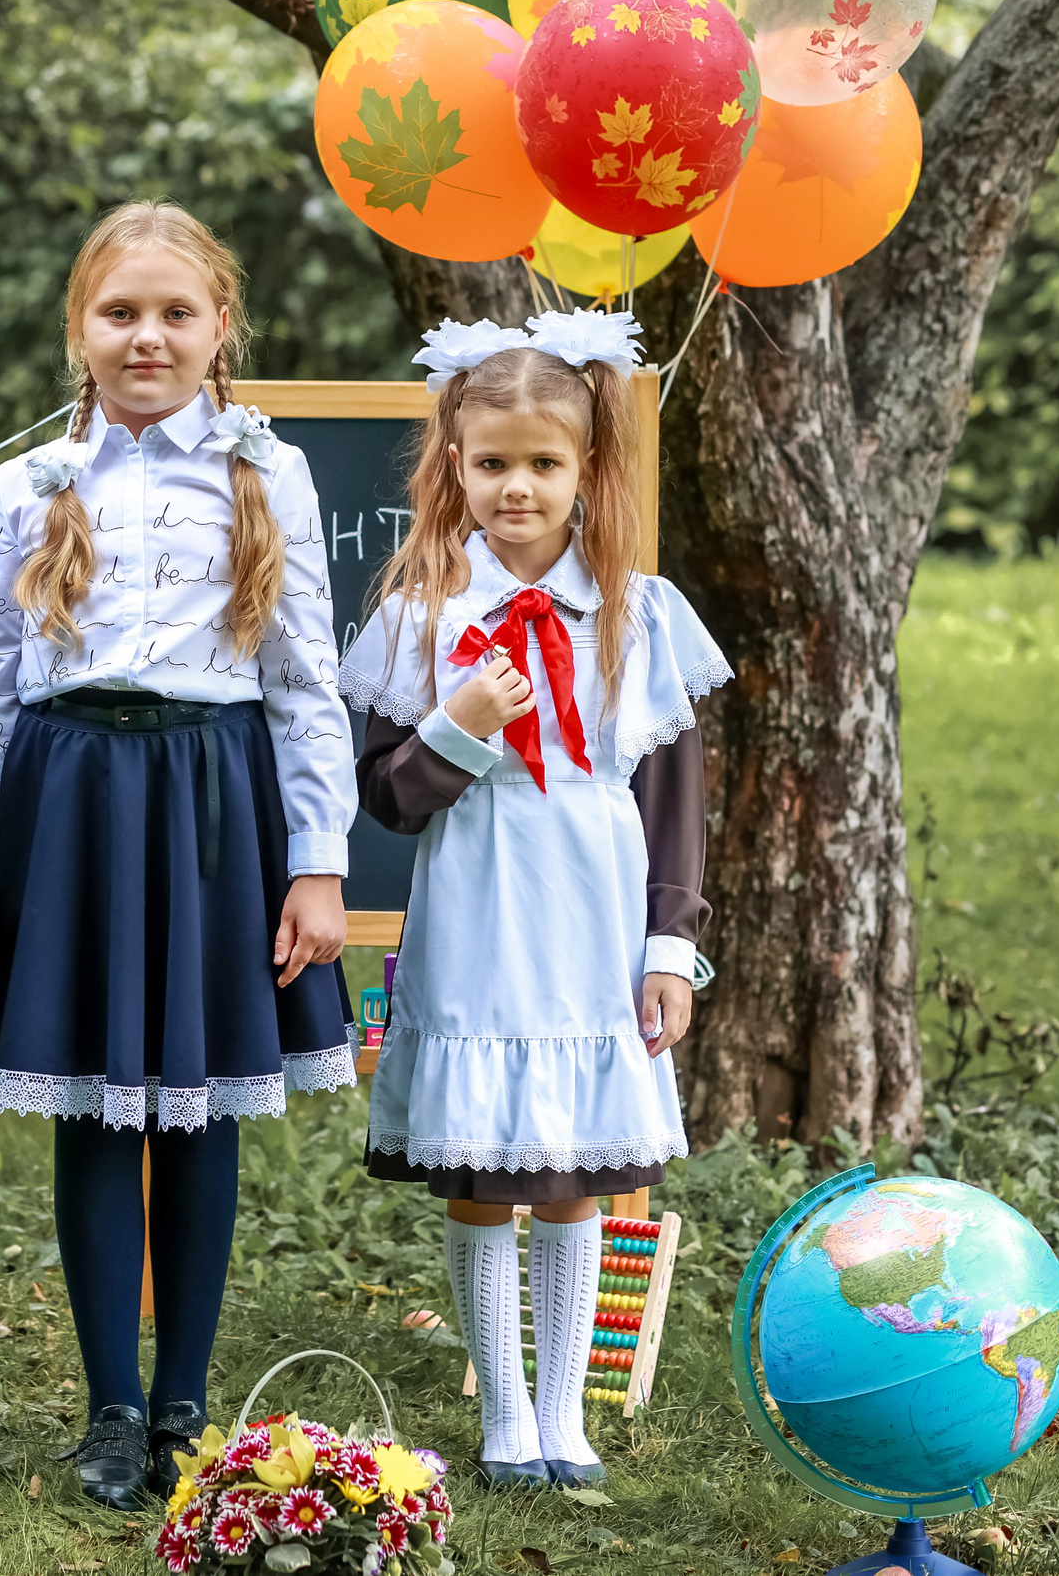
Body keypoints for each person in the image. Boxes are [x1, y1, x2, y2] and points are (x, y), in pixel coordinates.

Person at [0, 200, 358, 1511]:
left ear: (219, 327)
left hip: (210, 808)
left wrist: (319, 859)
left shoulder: (264, 471)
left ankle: (184, 1399)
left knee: (195, 1102)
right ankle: (110, 1405)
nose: (147, 335)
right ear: (80, 328)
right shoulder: (30, 485)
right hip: (67, 808)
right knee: (88, 1100)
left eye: (175, 312)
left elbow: (304, 681)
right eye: (120, 311)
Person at [336, 311, 730, 1490]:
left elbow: (671, 799)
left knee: (576, 1174)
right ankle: (504, 1412)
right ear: (453, 459)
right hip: (480, 907)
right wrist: (457, 731)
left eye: (543, 464)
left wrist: (671, 943)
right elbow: (390, 804)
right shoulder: (418, 616)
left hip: (595, 911)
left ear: (586, 471)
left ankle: (566, 1413)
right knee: (485, 1175)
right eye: (493, 461)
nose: (517, 487)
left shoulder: (633, 613)